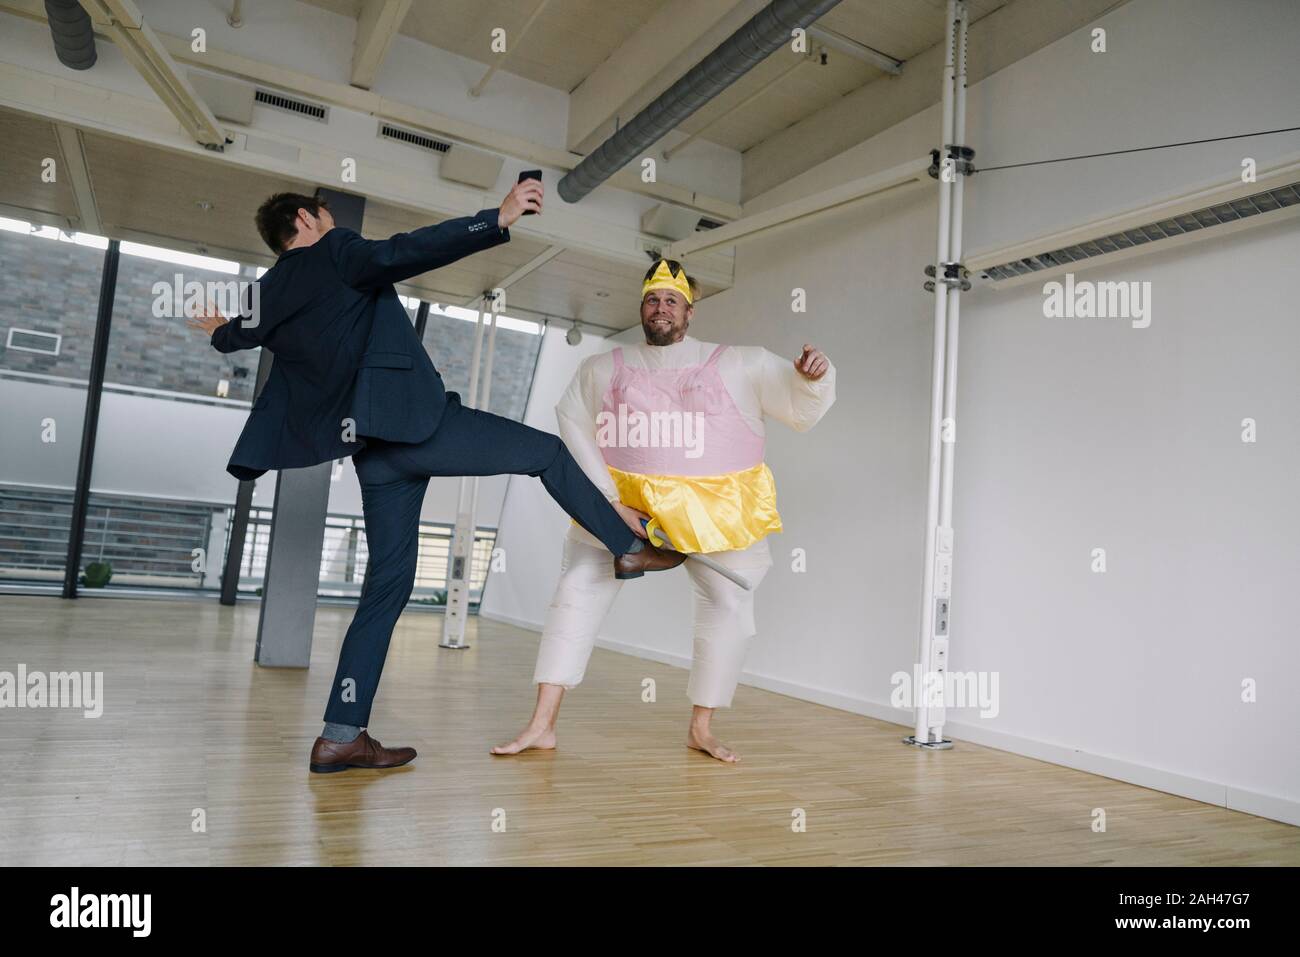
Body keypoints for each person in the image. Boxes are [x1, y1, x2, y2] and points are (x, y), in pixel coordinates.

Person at [187, 181, 683, 774]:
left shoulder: (270, 292)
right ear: (306, 219)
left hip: (372, 454)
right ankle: (627, 546)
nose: (332, 220)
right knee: (547, 452)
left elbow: (237, 336)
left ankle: (341, 734)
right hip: (418, 427)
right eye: (325, 213)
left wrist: (218, 328)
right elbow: (405, 249)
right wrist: (492, 221)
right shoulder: (337, 250)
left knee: (386, 587)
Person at [492, 259, 835, 763]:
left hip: (716, 512)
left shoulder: (740, 363)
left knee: (729, 609)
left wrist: (811, 378)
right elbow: (571, 419)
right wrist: (609, 498)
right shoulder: (603, 368)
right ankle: (542, 725)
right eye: (653, 299)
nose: (661, 308)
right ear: (642, 309)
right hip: (625, 508)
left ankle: (702, 727)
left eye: (671, 300)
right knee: (574, 595)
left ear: (689, 313)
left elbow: (801, 404)